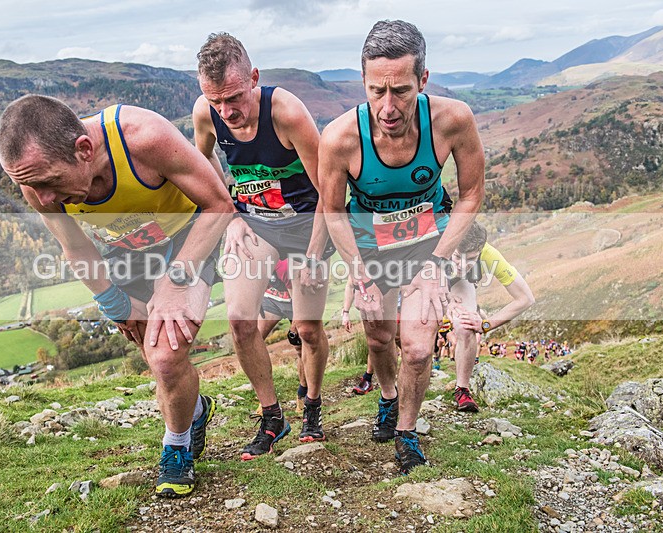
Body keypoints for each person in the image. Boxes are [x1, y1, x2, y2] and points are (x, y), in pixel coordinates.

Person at [0, 95, 235, 498]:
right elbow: (75, 245)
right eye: (31, 186)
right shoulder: (35, 180)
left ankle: (175, 450)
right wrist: (114, 304)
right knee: (156, 356)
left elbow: (219, 204)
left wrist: (176, 281)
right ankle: (194, 412)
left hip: (188, 235)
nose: (45, 198)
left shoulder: (144, 138)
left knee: (165, 353)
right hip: (127, 250)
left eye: (50, 182)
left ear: (84, 150)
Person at [319, 20, 485, 474]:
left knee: (416, 347)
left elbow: (470, 194)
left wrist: (437, 263)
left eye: (401, 91)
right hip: (369, 248)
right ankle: (388, 397)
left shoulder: (453, 120)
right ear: (364, 83)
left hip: (427, 244)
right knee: (379, 337)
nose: (387, 107)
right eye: (376, 91)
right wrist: (356, 269)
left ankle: (407, 431)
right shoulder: (339, 138)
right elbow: (332, 210)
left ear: (423, 81)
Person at [193, 33, 333, 460]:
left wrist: (312, 254)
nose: (227, 111)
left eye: (235, 97)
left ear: (254, 78)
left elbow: (330, 189)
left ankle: (311, 404)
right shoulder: (207, 114)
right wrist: (231, 214)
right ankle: (272, 416)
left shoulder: (287, 113)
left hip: (308, 224)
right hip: (256, 225)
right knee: (239, 321)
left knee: (307, 328)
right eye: (216, 101)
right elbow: (199, 169)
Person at [446, 221, 535, 411]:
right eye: (457, 257)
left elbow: (526, 299)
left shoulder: (489, 254)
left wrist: (486, 325)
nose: (462, 265)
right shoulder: (436, 241)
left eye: (470, 259)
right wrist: (444, 300)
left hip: (459, 284)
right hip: (427, 278)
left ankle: (462, 389)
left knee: (466, 324)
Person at [257, 258, 307, 413]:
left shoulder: (285, 264)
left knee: (300, 346)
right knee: (254, 341)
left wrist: (294, 327)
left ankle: (303, 394)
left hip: (295, 299)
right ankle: (266, 400)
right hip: (272, 298)